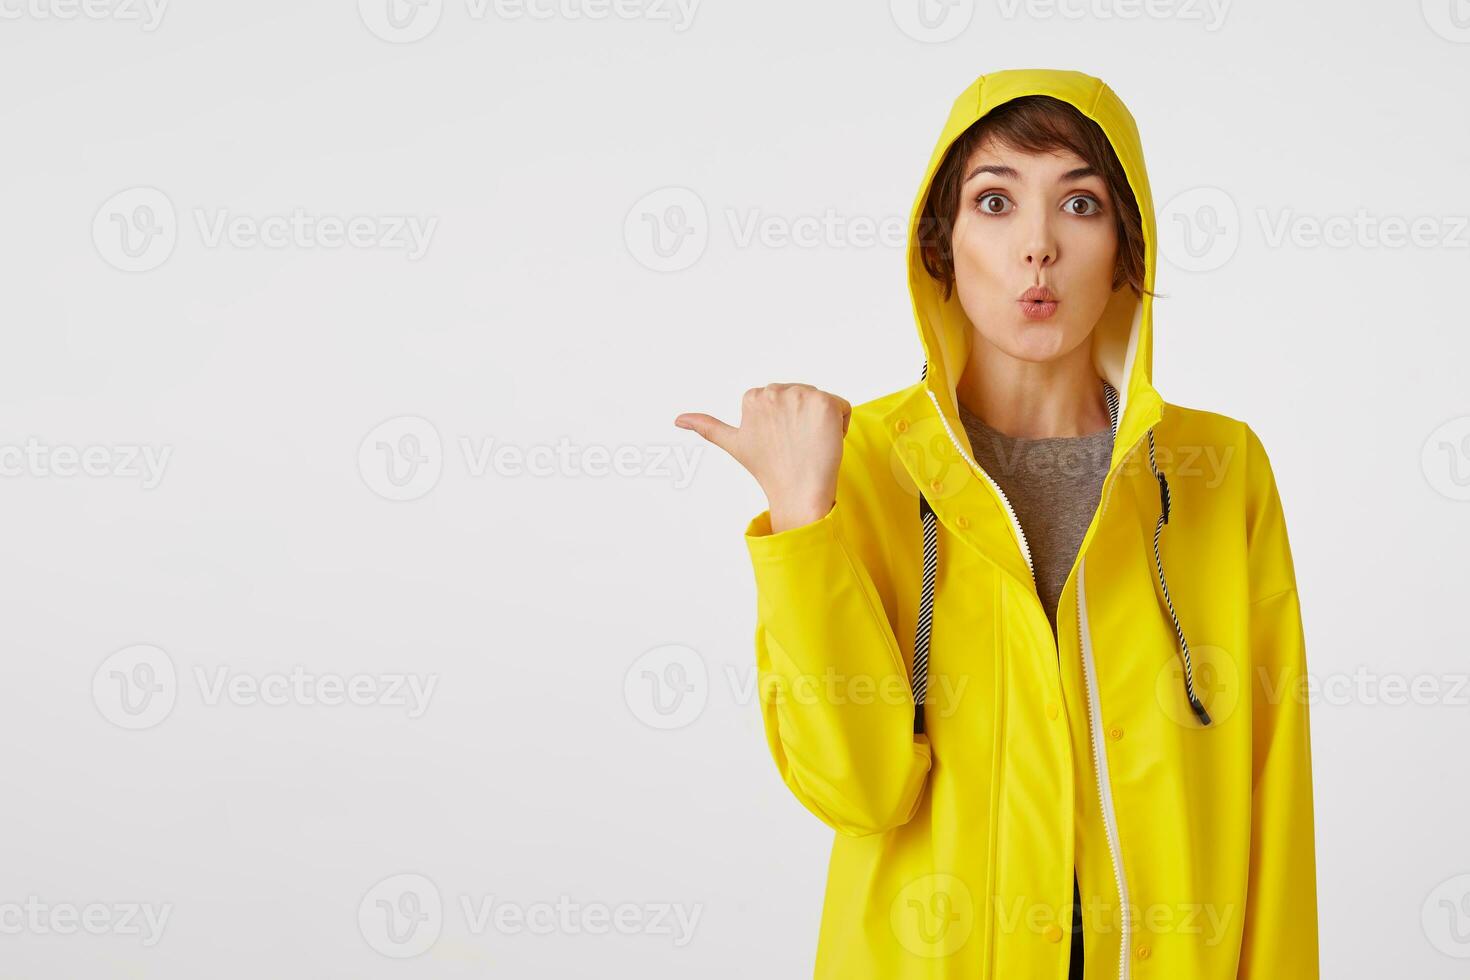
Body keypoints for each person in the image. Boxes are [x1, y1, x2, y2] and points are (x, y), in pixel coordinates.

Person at [675, 68, 1319, 979]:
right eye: (995, 201)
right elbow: (857, 790)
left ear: (1129, 251)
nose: (1039, 248)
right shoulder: (857, 461)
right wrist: (800, 519)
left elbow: (1274, 788)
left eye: (1082, 204)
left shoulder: (1220, 470)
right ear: (940, 246)